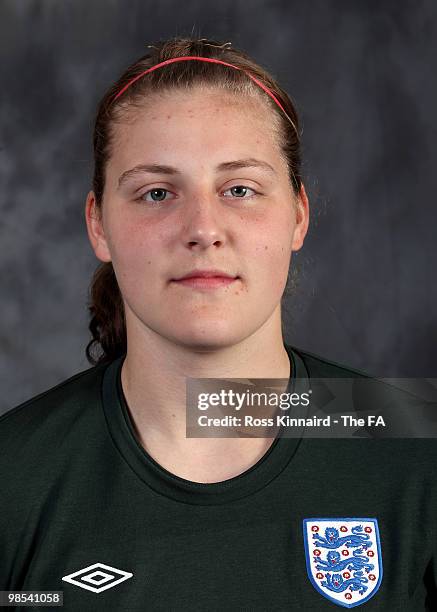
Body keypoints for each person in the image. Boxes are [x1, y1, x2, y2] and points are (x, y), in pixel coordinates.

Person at [0, 36, 436, 611]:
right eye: (157, 192)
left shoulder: (417, 449)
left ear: (298, 216)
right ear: (99, 223)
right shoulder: (14, 478)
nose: (203, 227)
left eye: (239, 189)